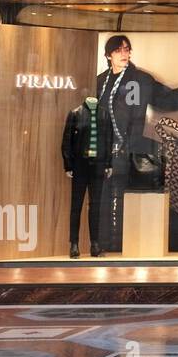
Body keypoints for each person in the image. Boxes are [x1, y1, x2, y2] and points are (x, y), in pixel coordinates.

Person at [96, 35, 178, 253]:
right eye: (119, 51)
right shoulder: (99, 81)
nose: (125, 54)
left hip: (132, 150)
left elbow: (168, 99)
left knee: (130, 201)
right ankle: (103, 245)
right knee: (102, 199)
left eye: (127, 50)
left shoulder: (141, 79)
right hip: (104, 150)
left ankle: (127, 246)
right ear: (108, 55)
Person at [61, 92, 111, 258]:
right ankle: (74, 244)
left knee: (95, 206)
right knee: (76, 205)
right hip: (80, 166)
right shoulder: (75, 113)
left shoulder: (104, 114)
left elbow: (108, 141)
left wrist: (108, 163)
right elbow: (67, 141)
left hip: (98, 166)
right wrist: (68, 165)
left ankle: (94, 244)